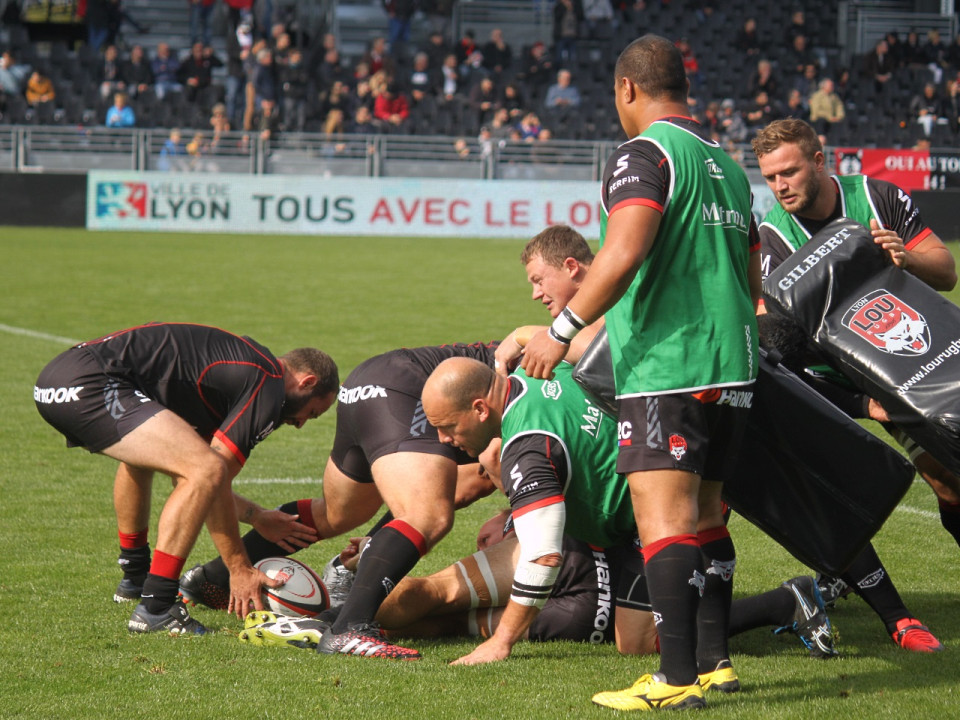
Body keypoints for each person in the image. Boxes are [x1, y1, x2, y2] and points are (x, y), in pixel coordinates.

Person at [521, 35, 760, 712]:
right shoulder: (729, 165)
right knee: (709, 516)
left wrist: (560, 331)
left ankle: (677, 678)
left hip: (668, 364)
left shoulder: (645, 153)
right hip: (734, 364)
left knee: (665, 523)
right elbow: (751, 273)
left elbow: (621, 253)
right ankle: (716, 665)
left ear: (628, 89)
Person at [752, 117, 955, 652]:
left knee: (947, 477)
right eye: (771, 177)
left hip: (909, 360)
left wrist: (903, 258)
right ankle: (896, 617)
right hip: (832, 383)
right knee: (833, 495)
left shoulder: (875, 195)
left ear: (820, 161)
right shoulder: (772, 239)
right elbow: (774, 342)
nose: (781, 186)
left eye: (790, 171)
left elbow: (945, 269)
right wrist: (861, 403)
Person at [179, 342, 501, 659]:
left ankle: (212, 579)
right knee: (428, 514)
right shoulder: (538, 374)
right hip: (403, 389)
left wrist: (379, 541)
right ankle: (352, 628)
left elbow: (473, 479)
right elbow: (497, 459)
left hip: (365, 382)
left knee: (334, 515)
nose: (536, 292)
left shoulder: (530, 354)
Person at [34, 322, 339, 635]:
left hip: (59, 376)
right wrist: (239, 567)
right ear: (306, 382)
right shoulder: (268, 384)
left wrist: (257, 516)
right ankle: (157, 606)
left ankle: (135, 578)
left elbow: (198, 489)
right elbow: (211, 478)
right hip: (89, 382)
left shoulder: (229, 384)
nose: (301, 424)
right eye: (312, 413)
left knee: (151, 461)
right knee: (206, 469)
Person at [807, 78, 845, 145]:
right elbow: (816, 111)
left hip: (831, 120)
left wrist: (839, 116)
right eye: (830, 85)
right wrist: (829, 117)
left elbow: (839, 106)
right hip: (819, 121)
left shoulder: (834, 97)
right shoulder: (817, 96)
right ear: (824, 86)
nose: (832, 87)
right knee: (821, 123)